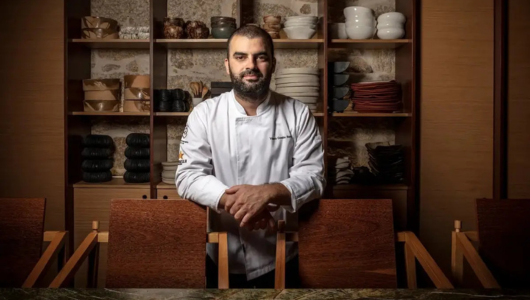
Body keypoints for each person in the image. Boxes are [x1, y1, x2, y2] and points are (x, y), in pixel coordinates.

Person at [175, 25, 325, 288]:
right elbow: (187, 176)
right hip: (221, 248)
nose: (251, 65)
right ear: (227, 65)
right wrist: (245, 204)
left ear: (273, 63)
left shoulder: (298, 113)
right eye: (240, 57)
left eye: (261, 57)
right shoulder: (204, 114)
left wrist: (267, 192)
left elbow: (313, 177)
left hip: (281, 250)